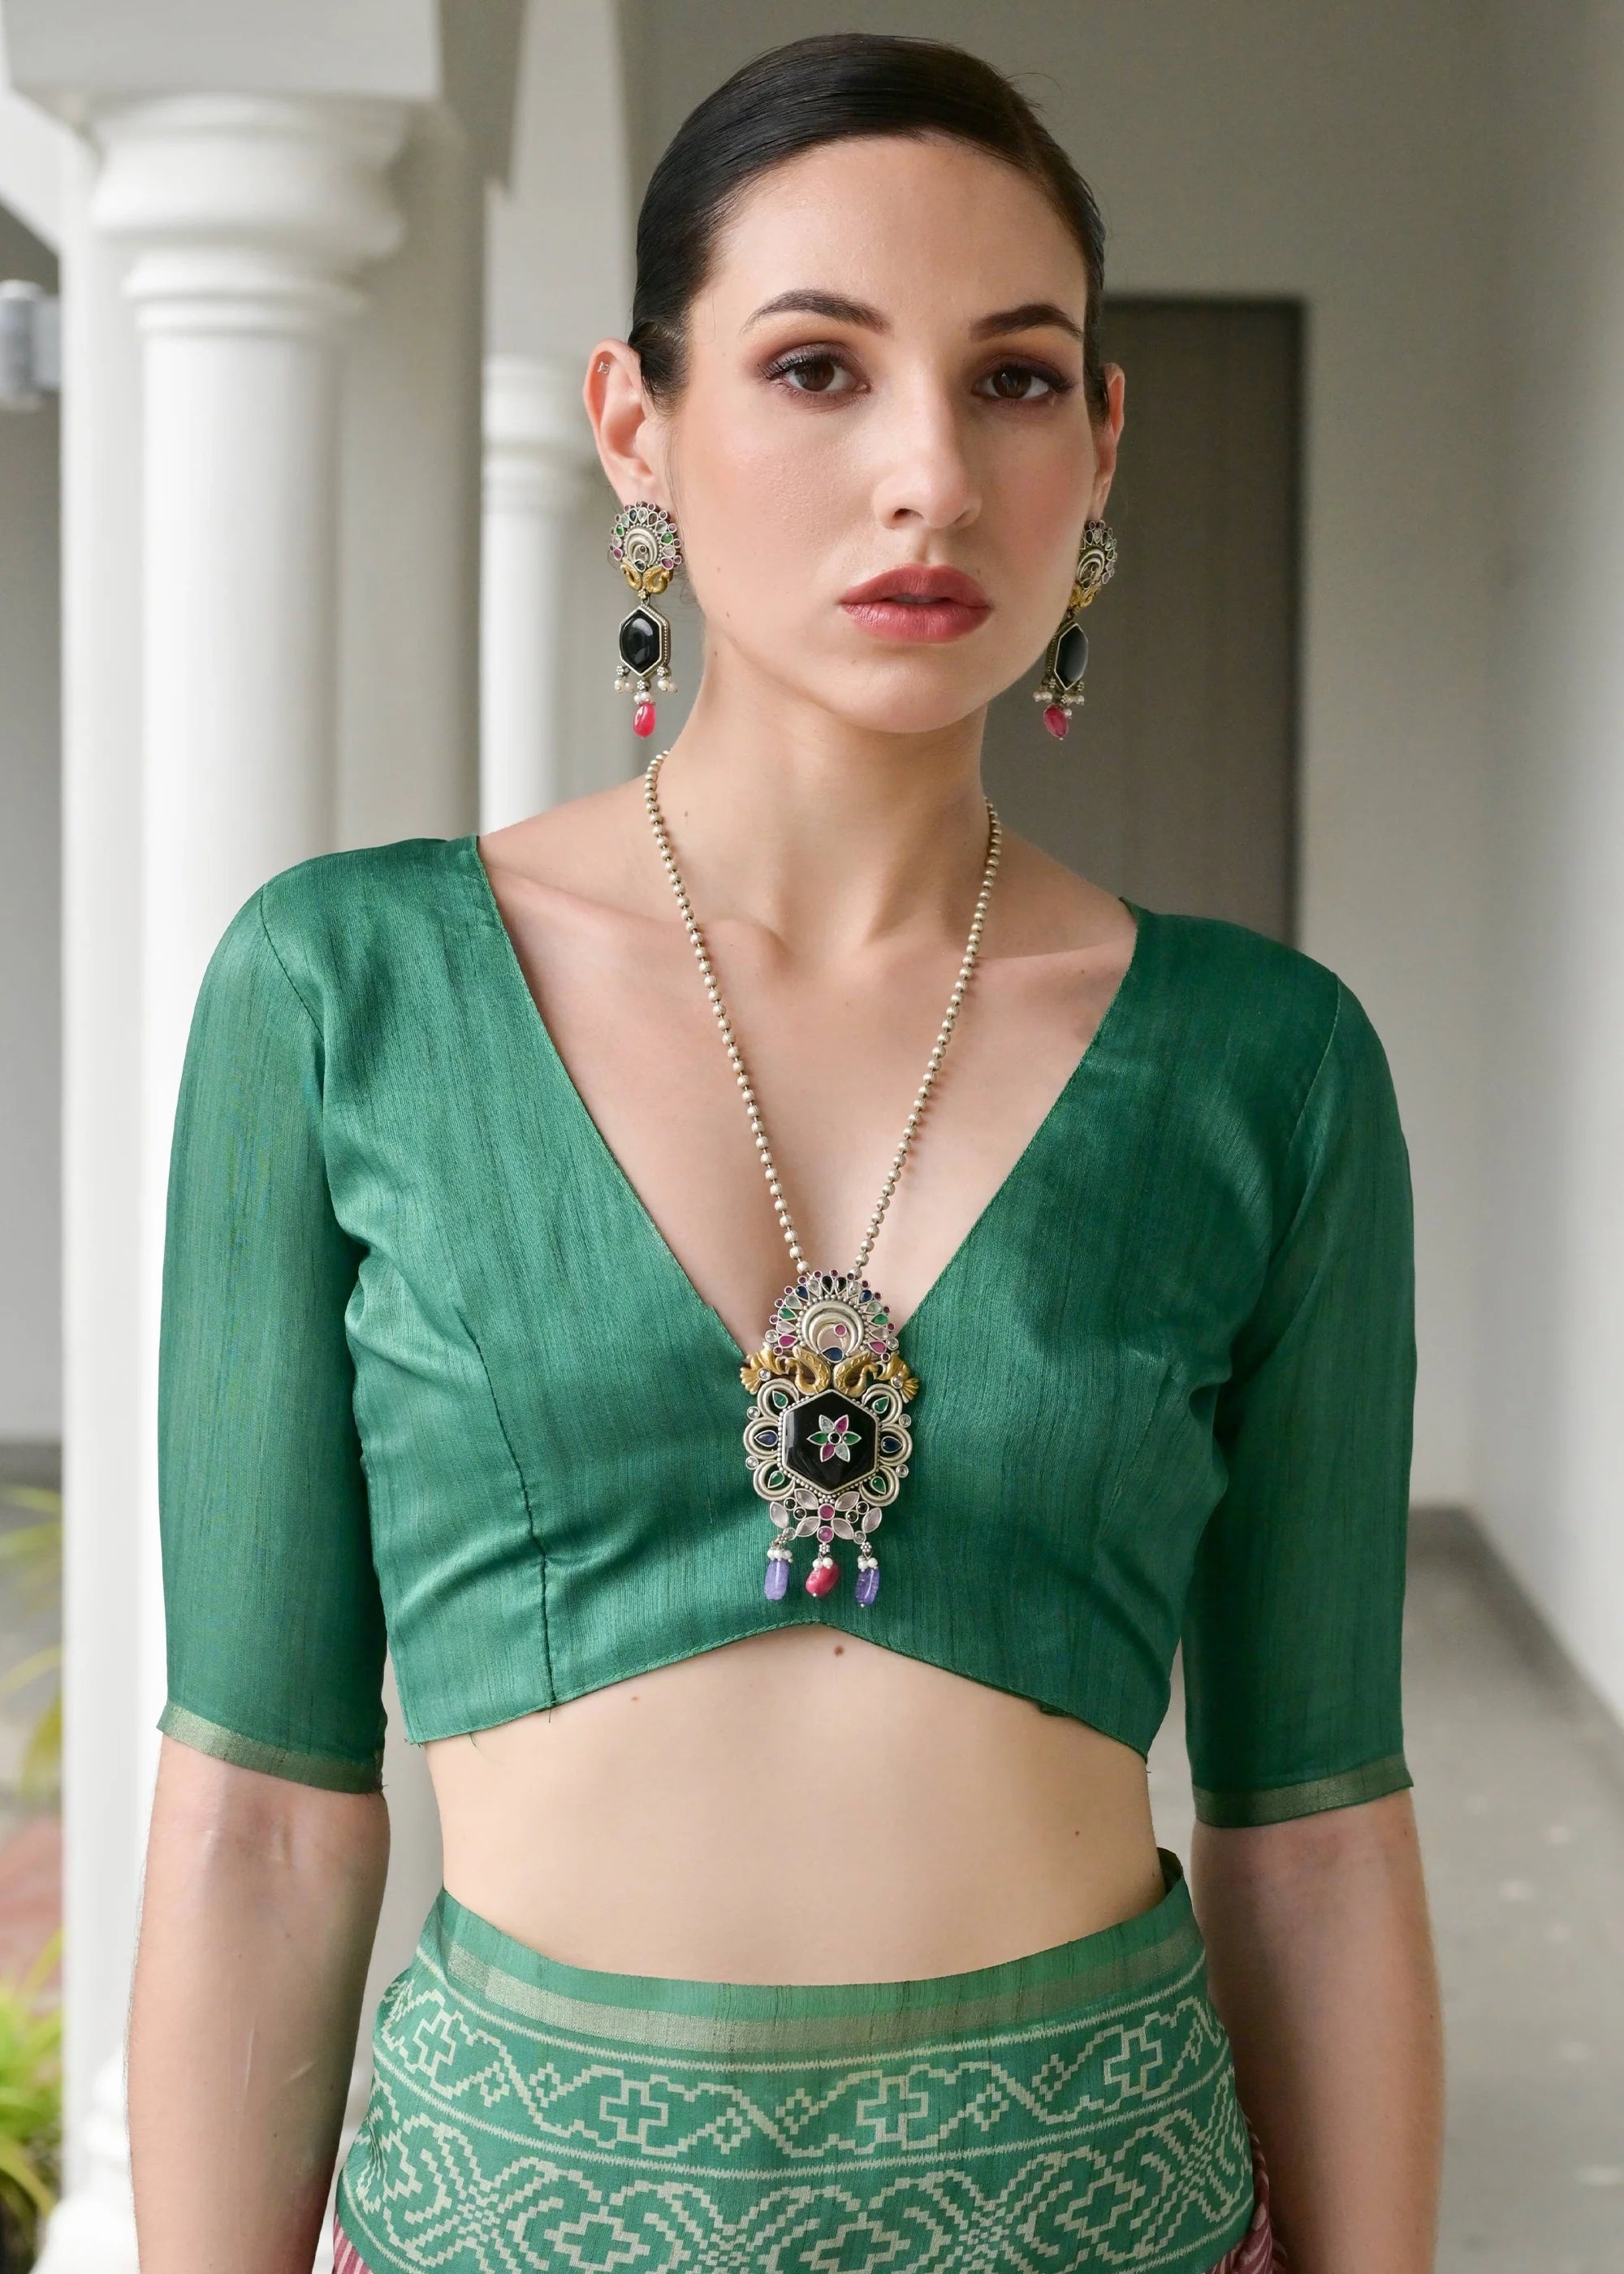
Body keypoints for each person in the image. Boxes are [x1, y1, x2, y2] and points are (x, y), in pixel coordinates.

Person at [126, 32, 1444, 2274]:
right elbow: (255, 1814)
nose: (930, 473)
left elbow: (1314, 1834)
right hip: (505, 2226)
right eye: (817, 367)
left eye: (1016, 380)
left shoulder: (1265, 1065)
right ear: (635, 423)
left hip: (1105, 2218)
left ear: (1102, 443)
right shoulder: (346, 995)